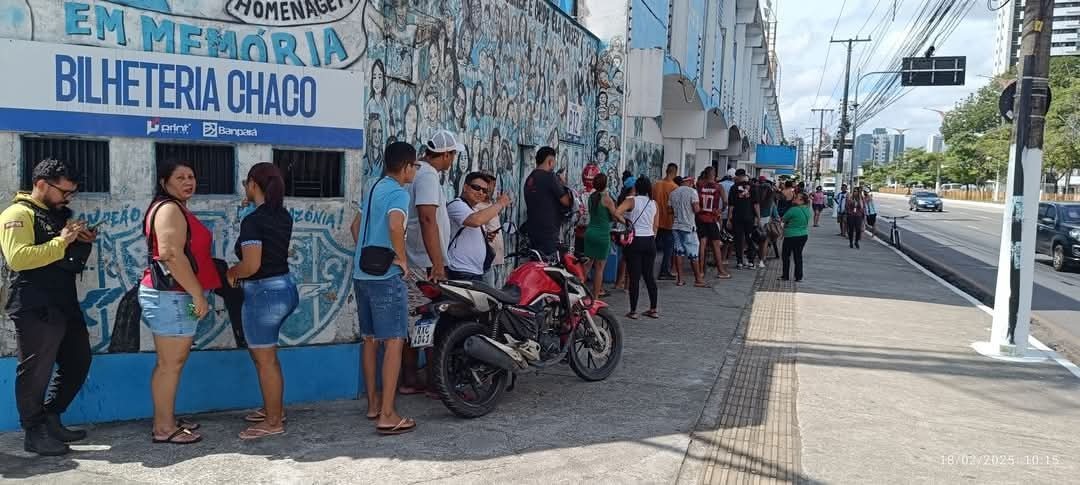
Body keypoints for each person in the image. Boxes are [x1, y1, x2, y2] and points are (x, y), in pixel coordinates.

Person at [0, 159, 96, 456]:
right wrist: (62, 241)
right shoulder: (17, 213)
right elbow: (19, 258)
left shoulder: (56, 214)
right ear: (42, 184)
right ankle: (34, 431)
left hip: (63, 300)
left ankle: (52, 416)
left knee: (79, 360)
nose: (67, 198)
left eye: (71, 194)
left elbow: (65, 258)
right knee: (35, 370)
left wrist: (82, 242)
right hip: (34, 303)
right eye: (64, 192)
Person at [141, 159, 222, 445]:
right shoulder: (169, 209)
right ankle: (163, 428)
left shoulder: (175, 208)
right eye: (180, 178)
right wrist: (197, 294)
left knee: (171, 362)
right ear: (164, 182)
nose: (188, 182)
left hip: (177, 296)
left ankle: (167, 419)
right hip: (172, 296)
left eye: (191, 176)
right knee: (170, 364)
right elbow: (171, 254)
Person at [226, 163, 299, 440]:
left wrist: (232, 272)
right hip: (285, 288)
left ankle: (272, 422)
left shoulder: (254, 221)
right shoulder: (282, 215)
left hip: (264, 294)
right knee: (268, 357)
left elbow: (251, 265)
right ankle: (274, 410)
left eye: (247, 183)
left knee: (265, 361)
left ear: (253, 185)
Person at [353, 142, 420, 435]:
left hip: (362, 272)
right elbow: (395, 226)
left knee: (369, 339)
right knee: (394, 341)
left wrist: (367, 253)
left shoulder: (373, 186)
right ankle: (389, 414)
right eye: (414, 166)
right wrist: (401, 259)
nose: (415, 171)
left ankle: (373, 405)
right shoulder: (398, 193)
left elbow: (356, 227)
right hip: (386, 276)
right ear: (406, 167)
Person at [402, 130, 461, 397]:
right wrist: (438, 264)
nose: (453, 160)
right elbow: (427, 219)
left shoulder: (418, 172)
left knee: (415, 321)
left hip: (416, 259)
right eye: (453, 155)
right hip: (424, 262)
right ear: (446, 154)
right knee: (430, 321)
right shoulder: (426, 175)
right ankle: (434, 382)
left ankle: (411, 378)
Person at [447, 172, 512, 280]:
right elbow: (475, 220)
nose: (481, 192)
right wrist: (500, 204)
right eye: (476, 188)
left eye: (485, 190)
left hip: (476, 271)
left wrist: (485, 237)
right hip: (461, 270)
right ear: (465, 187)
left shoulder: (474, 209)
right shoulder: (456, 205)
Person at [616, 177, 659, 319]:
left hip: (635, 240)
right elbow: (655, 226)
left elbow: (617, 212)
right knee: (649, 276)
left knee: (634, 277)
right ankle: (653, 308)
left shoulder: (631, 200)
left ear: (636, 187)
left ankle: (633, 311)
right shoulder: (654, 204)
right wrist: (652, 237)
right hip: (650, 240)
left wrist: (627, 222)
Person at [523, 146, 572, 258]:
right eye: (554, 161)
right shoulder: (550, 177)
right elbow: (566, 201)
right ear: (550, 161)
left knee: (536, 264)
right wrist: (564, 184)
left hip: (532, 231)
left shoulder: (530, 178)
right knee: (549, 268)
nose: (554, 165)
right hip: (548, 232)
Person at [582, 173, 624, 297]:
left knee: (587, 266)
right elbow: (616, 215)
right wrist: (626, 222)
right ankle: (595, 297)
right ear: (606, 184)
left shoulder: (591, 197)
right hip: (602, 235)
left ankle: (579, 293)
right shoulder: (606, 199)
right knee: (599, 268)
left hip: (590, 233)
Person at [669, 175, 710, 287]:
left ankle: (680, 279)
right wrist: (702, 209)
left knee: (678, 252)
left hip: (676, 226)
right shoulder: (692, 192)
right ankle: (698, 279)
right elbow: (696, 209)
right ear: (690, 182)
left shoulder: (673, 193)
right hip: (688, 226)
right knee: (693, 253)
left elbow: (670, 210)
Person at [695, 167, 731, 279]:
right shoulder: (718, 187)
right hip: (712, 217)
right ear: (714, 174)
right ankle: (720, 271)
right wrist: (721, 210)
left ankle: (700, 271)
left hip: (700, 217)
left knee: (702, 243)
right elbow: (725, 202)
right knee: (716, 244)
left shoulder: (699, 185)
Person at [473, 173, 506, 287]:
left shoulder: (491, 205)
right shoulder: (477, 207)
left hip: (497, 258)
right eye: (489, 185)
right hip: (487, 260)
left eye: (493, 186)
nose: (491, 189)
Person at [726, 171, 760, 270]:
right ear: (745, 176)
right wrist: (758, 217)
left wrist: (729, 218)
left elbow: (731, 205)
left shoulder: (733, 188)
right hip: (749, 217)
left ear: (737, 176)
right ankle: (751, 261)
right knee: (750, 238)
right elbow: (756, 204)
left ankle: (740, 262)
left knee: (738, 239)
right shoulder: (753, 187)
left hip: (737, 217)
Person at [653, 163, 679, 281]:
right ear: (675, 173)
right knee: (668, 249)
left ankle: (647, 269)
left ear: (666, 171)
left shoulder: (656, 185)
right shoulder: (674, 187)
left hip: (656, 221)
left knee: (653, 247)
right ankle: (664, 270)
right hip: (669, 222)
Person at [780, 192, 812, 282]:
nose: (794, 198)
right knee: (798, 256)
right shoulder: (807, 210)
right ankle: (798, 277)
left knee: (786, 256)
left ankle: (785, 276)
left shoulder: (793, 209)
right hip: (803, 235)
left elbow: (783, 219)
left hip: (791, 235)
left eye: (797, 197)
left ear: (801, 200)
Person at [756, 177, 776, 267]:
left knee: (753, 240)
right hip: (766, 222)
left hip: (755, 220)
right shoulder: (771, 202)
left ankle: (750, 259)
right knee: (764, 242)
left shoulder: (755, 199)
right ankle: (762, 260)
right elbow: (775, 214)